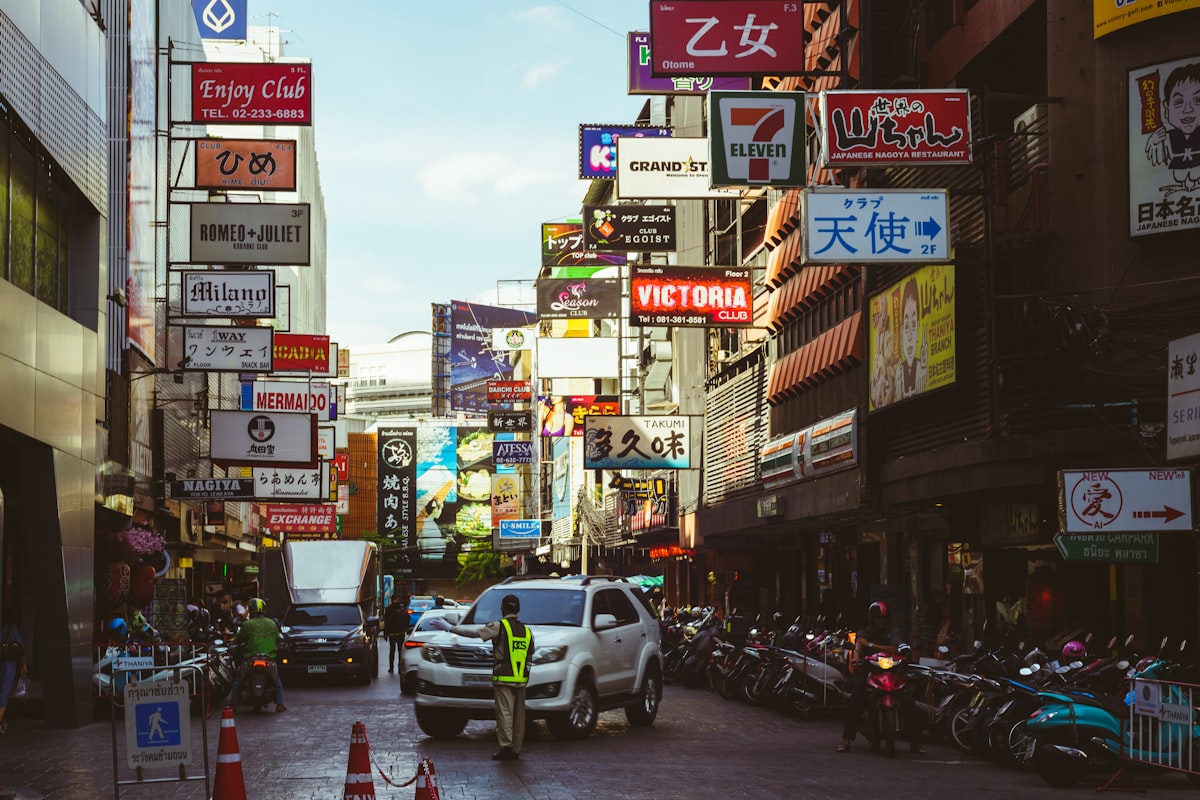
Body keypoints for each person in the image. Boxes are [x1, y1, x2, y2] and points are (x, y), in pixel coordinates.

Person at [430, 594, 533, 761]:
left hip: (504, 677)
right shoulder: (526, 631)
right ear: (518, 610)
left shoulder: (500, 626)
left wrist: (450, 628)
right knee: (519, 715)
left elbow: (475, 633)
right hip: (521, 678)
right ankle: (516, 749)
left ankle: (506, 747)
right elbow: (530, 654)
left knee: (505, 713)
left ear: (503, 608)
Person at [836, 600, 925, 754]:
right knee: (856, 700)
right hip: (870, 669)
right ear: (872, 618)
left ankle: (916, 742)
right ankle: (846, 740)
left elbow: (894, 647)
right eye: (879, 618)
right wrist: (856, 658)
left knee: (909, 701)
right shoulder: (864, 631)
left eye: (884, 618)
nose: (881, 621)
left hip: (892, 670)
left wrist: (870, 645)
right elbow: (858, 646)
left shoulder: (893, 631)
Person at [231, 598, 286, 712]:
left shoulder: (247, 624)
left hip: (250, 658)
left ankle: (233, 704)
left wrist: (234, 644)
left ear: (251, 610)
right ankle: (280, 704)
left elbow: (239, 639)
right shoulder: (272, 623)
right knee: (277, 680)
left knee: (239, 680)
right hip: (269, 658)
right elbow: (278, 639)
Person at [0, 617, 27, 735]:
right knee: (3, 694)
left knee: (3, 694)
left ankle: (2, 721)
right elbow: (21, 646)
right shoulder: (12, 628)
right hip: (8, 664)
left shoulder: (10, 628)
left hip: (6, 664)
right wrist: (23, 664)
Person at [383, 597, 408, 674]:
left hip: (392, 633)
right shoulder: (402, 609)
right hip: (400, 633)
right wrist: (405, 629)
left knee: (392, 650)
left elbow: (386, 621)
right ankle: (400, 668)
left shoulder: (389, 609)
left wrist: (386, 632)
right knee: (400, 651)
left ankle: (391, 667)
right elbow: (407, 619)